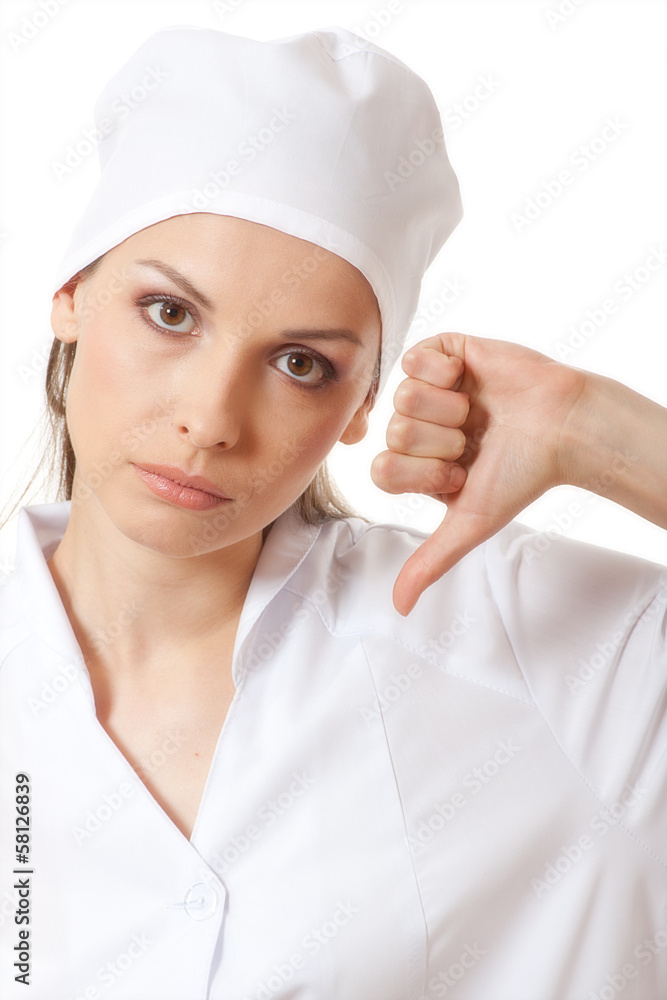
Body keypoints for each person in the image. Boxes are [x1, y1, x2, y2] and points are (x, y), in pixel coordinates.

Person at [1, 23, 665, 1000]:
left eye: (299, 362)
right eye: (170, 313)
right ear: (69, 294)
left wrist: (594, 428)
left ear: (361, 406)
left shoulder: (522, 641)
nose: (209, 420)